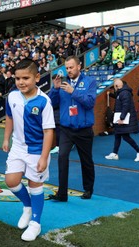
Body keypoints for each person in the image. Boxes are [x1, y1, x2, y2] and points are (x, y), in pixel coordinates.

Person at [3, 59, 54, 241]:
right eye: (18, 78)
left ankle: (35, 223)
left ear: (37, 77)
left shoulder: (44, 101)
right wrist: (7, 138)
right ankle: (27, 206)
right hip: (17, 146)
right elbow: (9, 117)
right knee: (11, 180)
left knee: (35, 185)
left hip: (36, 150)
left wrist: (43, 156)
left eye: (26, 78)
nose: (21, 82)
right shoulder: (12, 96)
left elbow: (49, 131)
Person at [47, 56, 96, 201]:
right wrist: (55, 89)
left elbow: (90, 103)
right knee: (62, 157)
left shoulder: (89, 82)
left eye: (71, 67)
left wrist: (73, 91)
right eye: (67, 68)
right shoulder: (62, 84)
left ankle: (88, 189)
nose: (69, 70)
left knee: (86, 160)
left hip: (84, 130)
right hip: (66, 129)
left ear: (79, 66)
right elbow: (51, 103)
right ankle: (62, 193)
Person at [105, 79, 139, 162]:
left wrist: (121, 118)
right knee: (117, 135)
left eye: (114, 87)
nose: (114, 89)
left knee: (125, 137)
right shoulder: (122, 92)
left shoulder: (124, 93)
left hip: (123, 119)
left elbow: (125, 106)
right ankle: (114, 153)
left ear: (117, 86)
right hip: (121, 118)